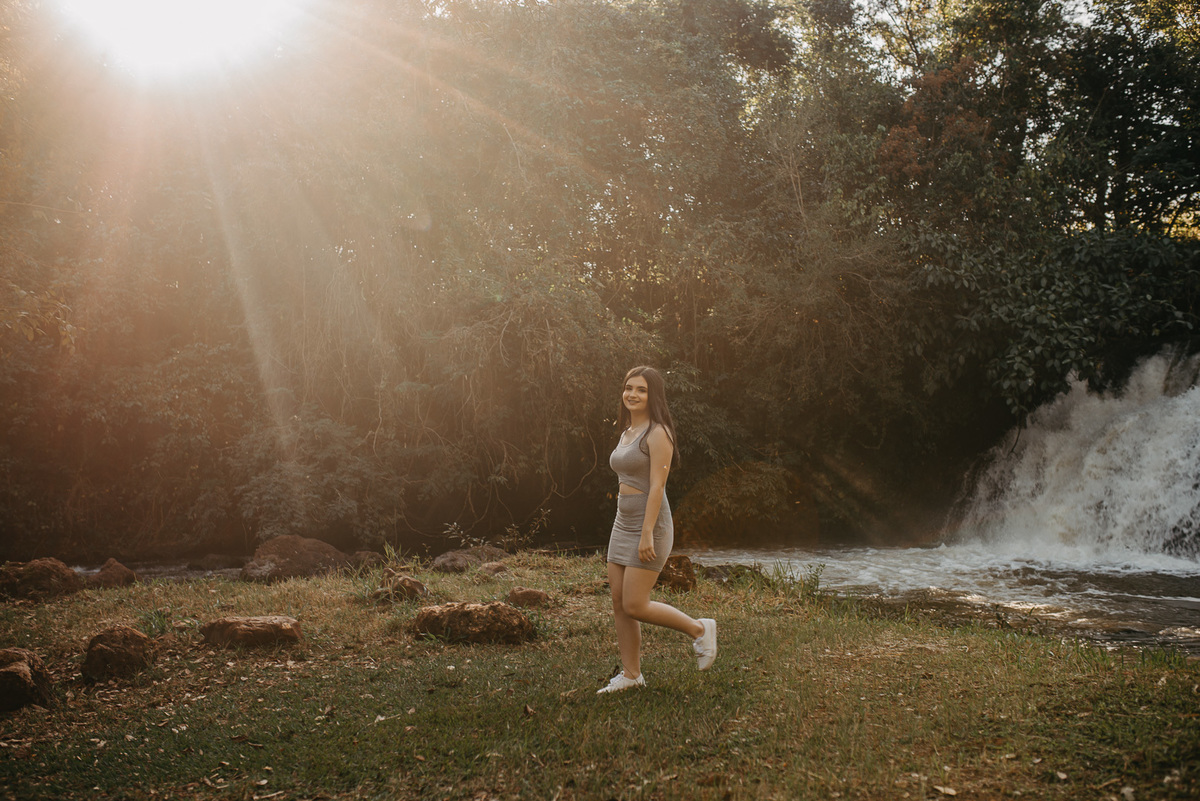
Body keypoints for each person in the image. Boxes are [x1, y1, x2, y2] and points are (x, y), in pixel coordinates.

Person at [597, 366, 716, 694]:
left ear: (653, 396)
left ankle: (699, 629)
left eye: (641, 390)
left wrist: (647, 531)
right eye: (628, 388)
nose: (632, 394)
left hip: (651, 525)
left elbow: (657, 485)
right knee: (619, 602)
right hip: (622, 524)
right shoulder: (626, 431)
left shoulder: (658, 432)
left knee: (635, 604)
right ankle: (632, 675)